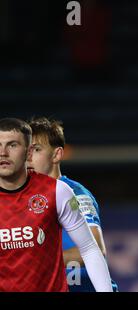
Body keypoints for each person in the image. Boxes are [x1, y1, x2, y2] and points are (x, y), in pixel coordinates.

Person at [0, 118, 113, 292]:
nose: (28, 158)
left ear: (56, 155)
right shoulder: (18, 197)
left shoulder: (75, 194)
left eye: (36, 149)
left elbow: (94, 247)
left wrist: (36, 257)